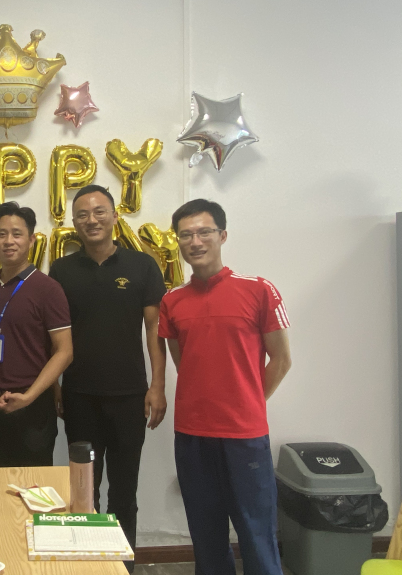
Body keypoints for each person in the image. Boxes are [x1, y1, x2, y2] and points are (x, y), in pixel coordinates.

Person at [159, 199, 292, 575]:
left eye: (204, 232)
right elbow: (184, 364)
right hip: (192, 435)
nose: (195, 241)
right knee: (206, 534)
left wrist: (248, 401)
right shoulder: (172, 301)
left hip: (244, 436)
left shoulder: (259, 290)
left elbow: (281, 359)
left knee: (256, 531)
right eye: (186, 235)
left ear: (222, 235)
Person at [49, 184, 167, 570]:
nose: (92, 220)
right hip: (79, 397)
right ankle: (89, 565)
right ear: (74, 223)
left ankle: (122, 567)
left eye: (99, 212)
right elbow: (54, 335)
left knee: (123, 494)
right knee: (84, 494)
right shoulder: (62, 270)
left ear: (115, 216)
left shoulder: (142, 266)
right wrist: (56, 386)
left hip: (129, 397)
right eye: (82, 214)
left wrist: (158, 386)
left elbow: (155, 330)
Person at [0, 202, 73, 467]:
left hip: (32, 405)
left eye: (17, 234)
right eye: (1, 234)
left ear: (31, 240)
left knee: (34, 486)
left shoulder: (48, 289)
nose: (8, 241)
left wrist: (29, 397)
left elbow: (64, 351)